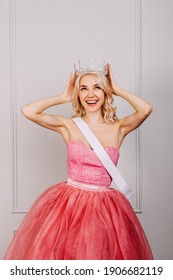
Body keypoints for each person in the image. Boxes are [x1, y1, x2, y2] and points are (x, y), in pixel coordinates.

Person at [4, 63, 153, 260]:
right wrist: (63, 97)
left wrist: (117, 89)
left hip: (105, 208)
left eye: (97, 87)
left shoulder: (119, 128)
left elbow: (146, 109)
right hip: (69, 206)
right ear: (78, 94)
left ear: (105, 92)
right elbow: (28, 111)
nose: (90, 94)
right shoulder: (69, 126)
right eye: (84, 89)